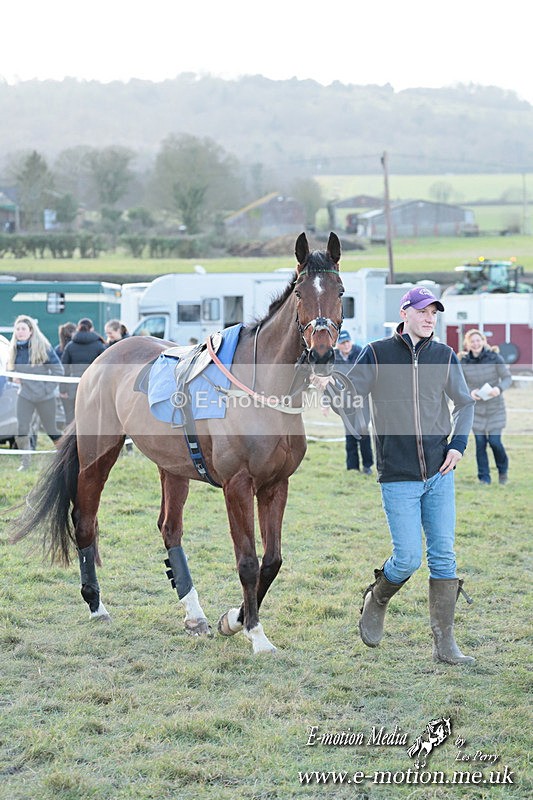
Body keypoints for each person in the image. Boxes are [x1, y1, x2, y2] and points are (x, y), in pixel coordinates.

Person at [344, 286, 476, 665]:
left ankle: (445, 645)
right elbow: (349, 393)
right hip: (397, 475)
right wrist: (332, 386)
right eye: (421, 311)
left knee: (444, 558)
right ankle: (378, 597)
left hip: (439, 473)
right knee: (407, 560)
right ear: (405, 313)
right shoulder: (376, 353)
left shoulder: (444, 355)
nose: (429, 317)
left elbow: (464, 403)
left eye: (434, 311)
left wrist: (458, 445)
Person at [7, 315, 64, 470]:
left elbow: (59, 370)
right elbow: (9, 373)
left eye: (23, 329)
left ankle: (65, 457)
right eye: (17, 329)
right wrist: (15, 379)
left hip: (45, 396)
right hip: (25, 395)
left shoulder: (43, 348)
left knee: (51, 429)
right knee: (22, 429)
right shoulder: (14, 350)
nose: (20, 332)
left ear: (31, 331)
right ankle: (25, 462)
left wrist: (46, 388)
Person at [458, 329, 512, 485]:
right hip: (476, 409)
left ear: (483, 341)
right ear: (467, 344)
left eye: (478, 340)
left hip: (495, 408)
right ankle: (484, 478)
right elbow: (459, 383)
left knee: (495, 442)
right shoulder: (463, 362)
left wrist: (499, 389)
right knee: (480, 443)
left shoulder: (495, 358)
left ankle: (503, 472)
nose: (475, 344)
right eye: (472, 341)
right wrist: (470, 392)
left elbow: (507, 378)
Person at [334, 330, 373, 474]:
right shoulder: (334, 357)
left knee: (362, 430)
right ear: (337, 345)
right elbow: (330, 380)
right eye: (342, 343)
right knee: (349, 432)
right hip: (344, 400)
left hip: (362, 399)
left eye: (347, 342)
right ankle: (352, 467)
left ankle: (367, 465)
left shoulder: (361, 352)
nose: (346, 345)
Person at [61, 318, 106, 423]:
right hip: (93, 385)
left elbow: (64, 368)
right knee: (92, 417)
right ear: (92, 329)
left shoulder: (70, 346)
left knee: (72, 418)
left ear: (78, 328)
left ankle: (73, 439)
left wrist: (62, 389)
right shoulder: (99, 345)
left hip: (73, 386)